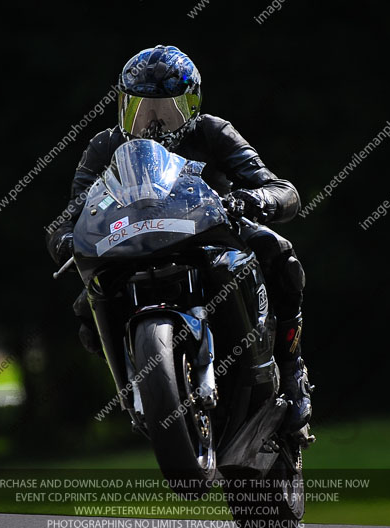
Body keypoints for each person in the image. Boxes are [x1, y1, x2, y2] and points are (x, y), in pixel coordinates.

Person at [47, 45, 311, 435]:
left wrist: (254, 199)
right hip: (133, 241)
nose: (152, 124)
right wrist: (66, 237)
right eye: (141, 110)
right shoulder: (104, 146)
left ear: (191, 106)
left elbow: (280, 188)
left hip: (212, 232)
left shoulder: (213, 131)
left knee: (280, 255)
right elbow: (74, 208)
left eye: (165, 111)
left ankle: (293, 372)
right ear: (122, 106)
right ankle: (139, 387)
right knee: (87, 305)